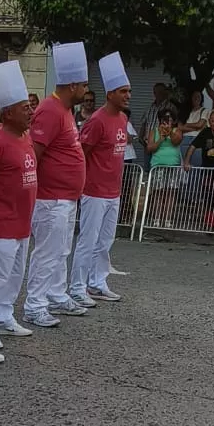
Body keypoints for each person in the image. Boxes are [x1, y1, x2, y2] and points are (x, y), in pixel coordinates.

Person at [25, 42, 89, 323]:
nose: (86, 91)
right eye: (84, 85)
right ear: (72, 85)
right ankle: (34, 305)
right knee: (47, 253)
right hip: (51, 199)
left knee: (61, 250)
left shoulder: (63, 110)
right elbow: (33, 155)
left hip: (65, 197)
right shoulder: (50, 110)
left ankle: (56, 294)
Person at [0, 59, 40, 337]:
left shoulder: (25, 137)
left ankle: (4, 315)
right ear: (7, 113)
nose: (30, 112)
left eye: (30, 106)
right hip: (0, 223)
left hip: (22, 222)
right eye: (24, 108)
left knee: (15, 276)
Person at [72, 52, 132, 304]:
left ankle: (97, 282)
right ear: (110, 94)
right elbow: (82, 154)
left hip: (113, 190)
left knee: (105, 240)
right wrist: (80, 186)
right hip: (94, 191)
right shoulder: (96, 121)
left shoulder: (122, 119)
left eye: (129, 91)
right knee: (87, 240)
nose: (128, 95)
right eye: (123, 92)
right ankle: (77, 287)